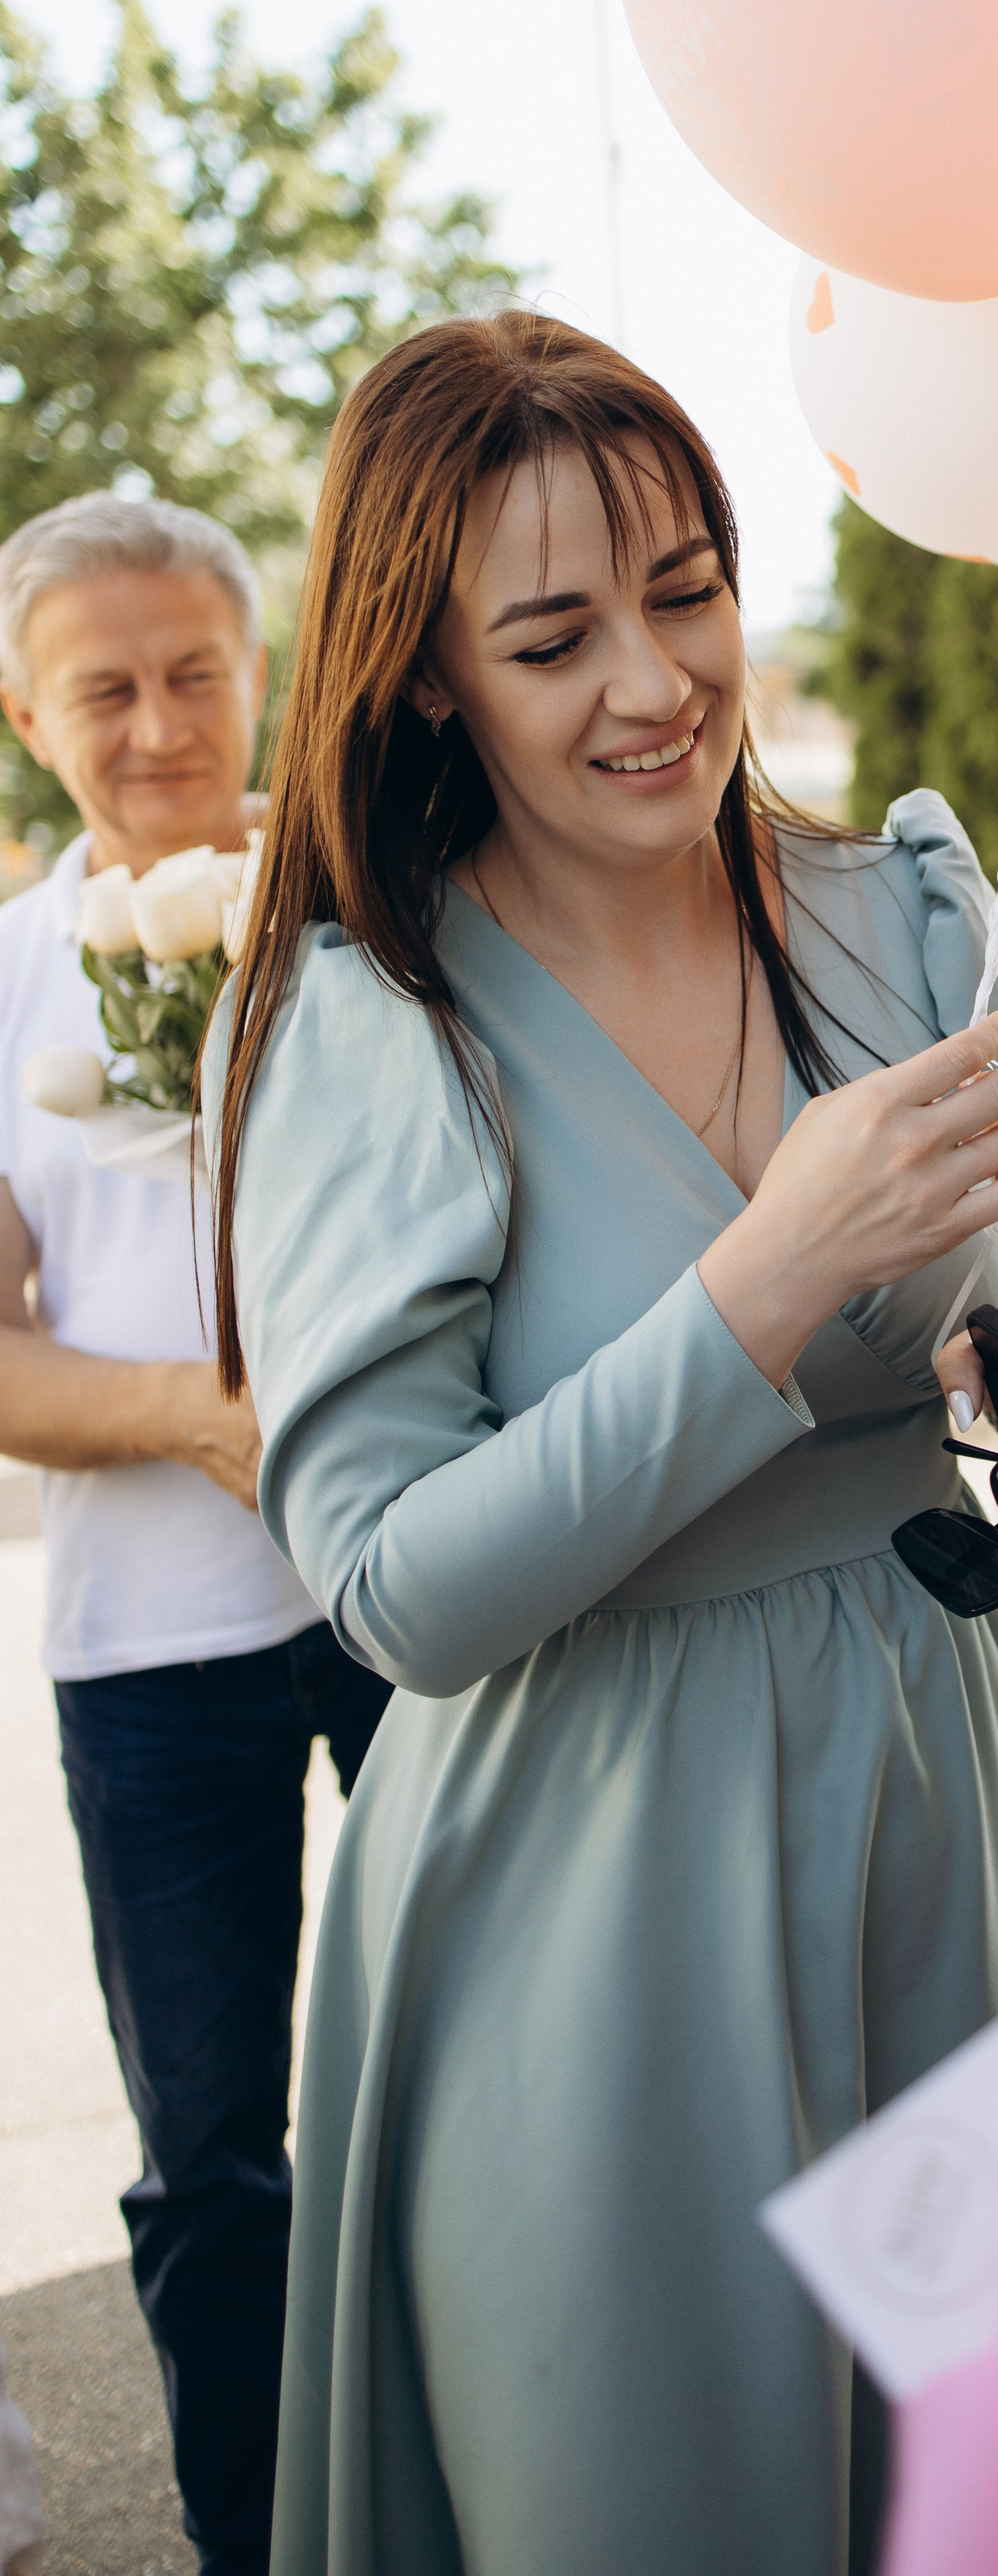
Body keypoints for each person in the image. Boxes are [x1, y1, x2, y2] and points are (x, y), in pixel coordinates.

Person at [206, 310, 998, 2576]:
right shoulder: (381, 1019)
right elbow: (396, 1586)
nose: (656, 681)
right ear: (428, 675)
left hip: (952, 1810)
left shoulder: (910, 918)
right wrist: (765, 1282)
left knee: (989, 2498)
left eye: (688, 591)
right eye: (553, 636)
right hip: (583, 1899)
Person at [0, 494, 391, 2576]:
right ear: (24, 710)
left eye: (194, 671)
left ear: (264, 671)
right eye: (103, 686)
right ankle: (258, 2544)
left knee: (476, 2092)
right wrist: (196, 1420)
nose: (156, 723)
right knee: (213, 2163)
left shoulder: (377, 916)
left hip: (428, 1596)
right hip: (153, 1657)